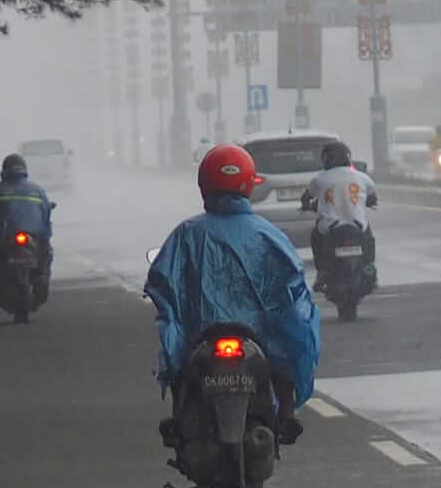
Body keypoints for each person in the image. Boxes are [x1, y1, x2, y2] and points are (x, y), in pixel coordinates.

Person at [145, 145, 319, 445]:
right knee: (289, 352)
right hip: (262, 341)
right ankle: (286, 411)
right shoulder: (269, 235)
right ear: (249, 183)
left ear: (204, 184)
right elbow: (294, 292)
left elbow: (162, 284)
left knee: (182, 372)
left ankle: (179, 418)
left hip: (201, 338)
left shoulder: (186, 234)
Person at [0, 154, 54, 309]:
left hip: (6, 238)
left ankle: (6, 280)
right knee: (47, 253)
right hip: (34, 237)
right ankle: (42, 276)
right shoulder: (37, 190)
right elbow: (46, 215)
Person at [303, 139, 378, 293]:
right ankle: (369, 266)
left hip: (330, 228)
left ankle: (322, 272)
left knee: (315, 236)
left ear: (325, 159)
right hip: (357, 226)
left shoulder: (319, 179)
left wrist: (306, 205)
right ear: (348, 157)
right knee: (369, 236)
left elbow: (307, 197)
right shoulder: (362, 177)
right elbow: (372, 196)